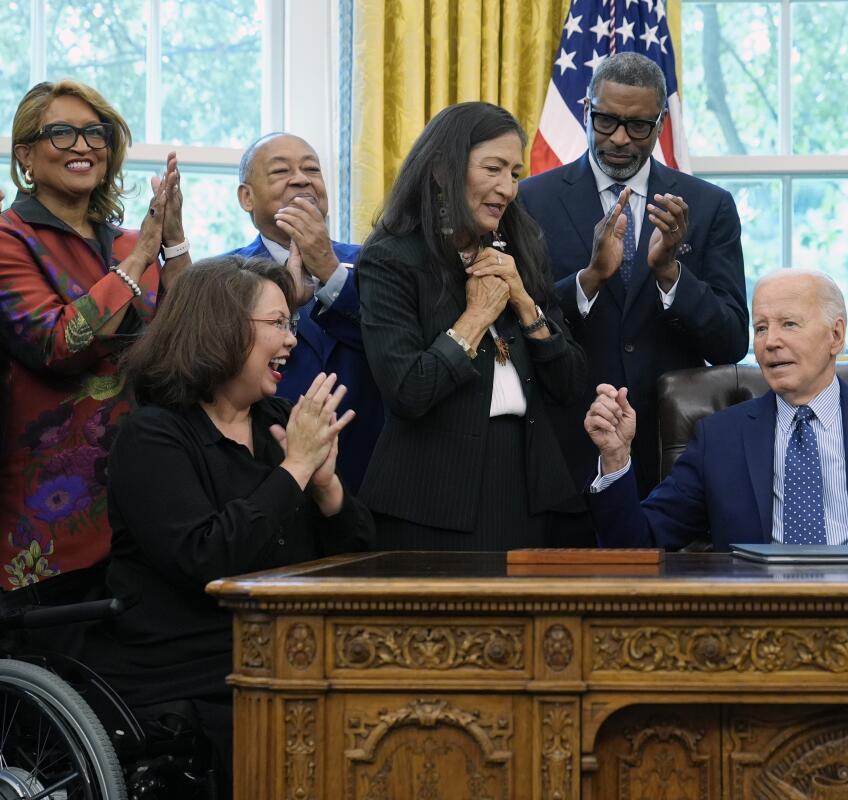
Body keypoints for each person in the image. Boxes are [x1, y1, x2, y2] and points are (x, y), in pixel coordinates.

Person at [94, 255, 374, 799]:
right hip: (187, 663)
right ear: (220, 329)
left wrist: (325, 487)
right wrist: (293, 470)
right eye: (277, 324)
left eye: (291, 324)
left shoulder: (279, 422)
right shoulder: (154, 437)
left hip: (281, 647)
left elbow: (357, 557)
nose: (291, 340)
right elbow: (208, 558)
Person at [587, 270, 848, 554]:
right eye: (760, 328)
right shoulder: (721, 436)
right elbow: (636, 546)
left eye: (789, 325)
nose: (770, 341)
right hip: (755, 631)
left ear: (836, 335)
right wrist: (615, 459)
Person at [520, 52, 748, 530]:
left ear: (661, 123)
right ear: (585, 109)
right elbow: (519, 326)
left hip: (673, 458)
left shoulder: (708, 206)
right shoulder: (531, 202)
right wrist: (590, 279)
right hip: (566, 451)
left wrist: (671, 275)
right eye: (605, 121)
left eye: (638, 126)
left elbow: (731, 341)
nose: (619, 139)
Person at [0, 80, 188, 632]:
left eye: (95, 133)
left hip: (146, 504)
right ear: (26, 156)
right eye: (61, 132)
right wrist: (137, 265)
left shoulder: (136, 241)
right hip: (49, 522)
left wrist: (172, 241)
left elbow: (185, 344)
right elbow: (59, 346)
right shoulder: (10, 239)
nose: (82, 145)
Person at [356, 101, 586, 550]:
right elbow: (408, 391)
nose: (508, 188)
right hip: (429, 500)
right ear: (443, 170)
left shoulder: (521, 249)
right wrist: (476, 317)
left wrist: (524, 304)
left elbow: (571, 383)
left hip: (529, 488)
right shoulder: (391, 259)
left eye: (516, 174)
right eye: (494, 169)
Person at [229, 132, 382, 493]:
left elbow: (394, 344)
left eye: (312, 169)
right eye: (281, 171)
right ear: (246, 196)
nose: (301, 178)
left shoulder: (375, 260)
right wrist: (287, 308)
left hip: (369, 462)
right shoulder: (226, 275)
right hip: (269, 466)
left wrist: (330, 271)